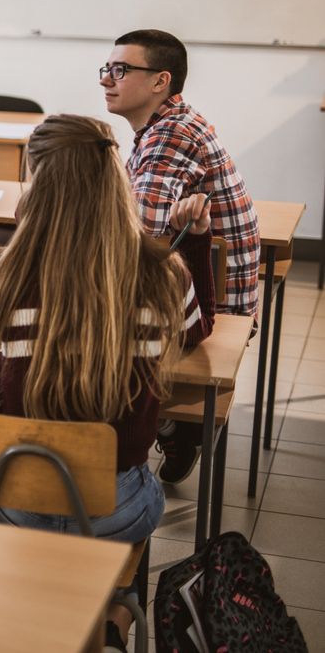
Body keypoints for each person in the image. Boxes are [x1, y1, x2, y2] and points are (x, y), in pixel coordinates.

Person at [0, 114, 215, 653]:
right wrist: (195, 244)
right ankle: (112, 616)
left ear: (36, 183)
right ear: (115, 181)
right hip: (114, 506)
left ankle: (36, 617)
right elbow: (197, 332)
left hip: (15, 498)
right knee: (136, 490)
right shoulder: (163, 272)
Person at [101, 29, 258, 482]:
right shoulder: (167, 124)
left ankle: (169, 425)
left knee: (80, 329)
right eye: (106, 69)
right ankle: (168, 426)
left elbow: (142, 238)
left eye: (121, 69)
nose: (107, 79)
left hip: (211, 313)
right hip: (196, 290)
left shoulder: (171, 135)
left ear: (159, 81)